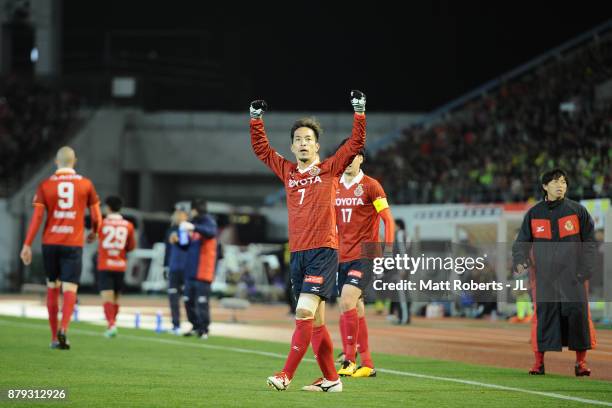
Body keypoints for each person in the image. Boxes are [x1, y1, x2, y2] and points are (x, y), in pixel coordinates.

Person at [251, 90, 367, 392]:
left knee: (302, 311)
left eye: (308, 139)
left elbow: (355, 144)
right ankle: (331, 379)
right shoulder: (288, 172)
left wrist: (359, 111)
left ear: (317, 145)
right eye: (298, 139)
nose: (303, 143)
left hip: (324, 251)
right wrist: (255, 119)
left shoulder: (329, 168)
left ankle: (285, 375)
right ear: (292, 146)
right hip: (298, 253)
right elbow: (262, 150)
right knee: (314, 322)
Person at [512, 168, 597, 376]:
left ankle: (581, 363)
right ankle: (538, 363)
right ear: (545, 186)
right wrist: (520, 261)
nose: (561, 186)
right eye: (556, 182)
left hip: (574, 276)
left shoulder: (578, 211)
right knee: (543, 317)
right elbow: (521, 243)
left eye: (564, 182)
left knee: (578, 316)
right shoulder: (533, 214)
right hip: (544, 278)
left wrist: (586, 268)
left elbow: (590, 243)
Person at [20, 146, 102, 349]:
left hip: (50, 243)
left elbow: (38, 217)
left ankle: (53, 338)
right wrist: (94, 231)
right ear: (75, 161)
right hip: (72, 244)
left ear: (56, 162)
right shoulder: (86, 184)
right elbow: (96, 216)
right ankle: (64, 328)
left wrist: (27, 244)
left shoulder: (45, 185)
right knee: (70, 288)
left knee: (52, 287)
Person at [334, 144, 394, 378]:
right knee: (355, 307)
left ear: (361, 159)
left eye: (353, 157)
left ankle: (349, 359)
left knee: (347, 301)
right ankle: (367, 364)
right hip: (340, 256)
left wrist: (387, 251)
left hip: (364, 255)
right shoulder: (335, 185)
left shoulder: (371, 186)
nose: (348, 161)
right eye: (344, 157)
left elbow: (387, 220)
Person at [97, 196, 136, 338]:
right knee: (116, 299)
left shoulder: (101, 223)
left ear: (108, 207)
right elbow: (131, 246)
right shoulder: (128, 225)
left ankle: (111, 325)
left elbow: (95, 238)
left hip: (105, 264)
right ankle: (113, 323)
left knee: (107, 298)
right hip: (120, 265)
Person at [181, 198, 218, 339]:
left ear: (195, 209)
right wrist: (179, 239)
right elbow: (186, 245)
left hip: (203, 270)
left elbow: (211, 232)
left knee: (202, 302)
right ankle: (196, 325)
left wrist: (193, 227)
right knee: (188, 300)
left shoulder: (208, 221)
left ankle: (204, 329)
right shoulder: (193, 223)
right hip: (191, 270)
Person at [165, 202, 190, 335]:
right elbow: (167, 250)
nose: (179, 215)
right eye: (177, 213)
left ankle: (194, 324)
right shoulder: (170, 230)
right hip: (174, 268)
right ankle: (176, 325)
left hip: (187, 269)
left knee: (188, 298)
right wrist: (165, 266)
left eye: (182, 213)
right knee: (173, 297)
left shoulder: (191, 230)